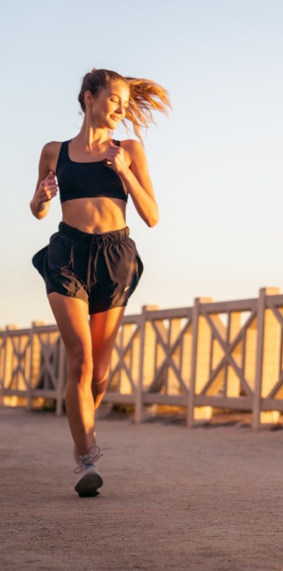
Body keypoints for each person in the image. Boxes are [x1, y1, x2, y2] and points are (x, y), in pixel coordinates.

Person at [30, 68, 170, 497]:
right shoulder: (55, 151)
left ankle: (84, 433)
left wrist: (124, 172)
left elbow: (151, 215)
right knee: (80, 361)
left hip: (115, 257)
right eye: (114, 100)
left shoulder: (129, 149)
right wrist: (41, 199)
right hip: (67, 253)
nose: (121, 109)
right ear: (89, 98)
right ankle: (85, 456)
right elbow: (37, 208)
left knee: (100, 375)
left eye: (125, 104)